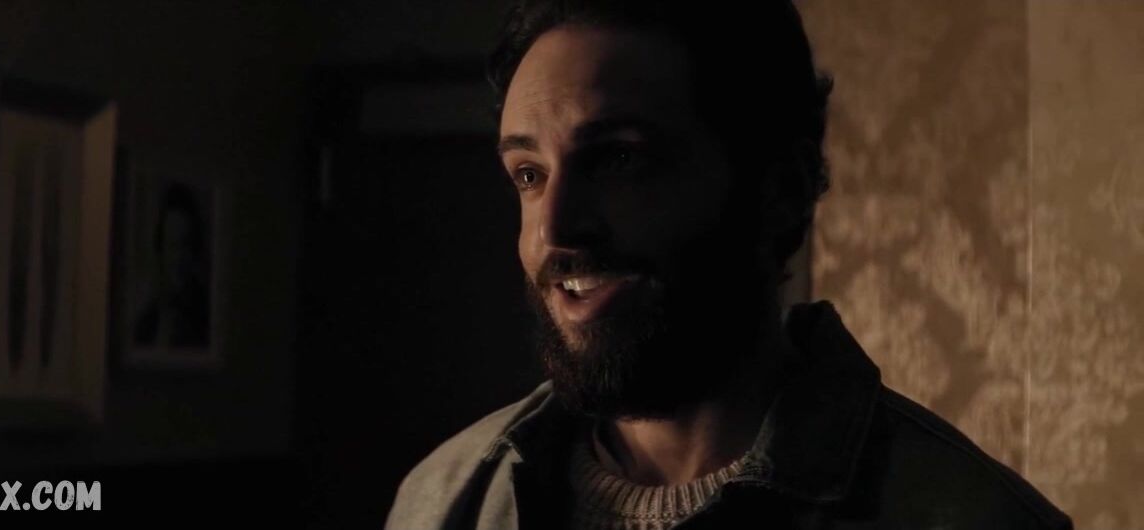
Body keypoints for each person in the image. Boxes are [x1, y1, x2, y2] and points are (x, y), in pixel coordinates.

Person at [385, 1, 1072, 529]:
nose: (554, 230)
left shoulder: (968, 516)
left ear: (781, 190)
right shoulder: (445, 500)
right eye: (529, 174)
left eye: (619, 158)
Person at [134, 183, 210, 350]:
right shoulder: (147, 320)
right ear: (161, 251)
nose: (179, 257)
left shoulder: (208, 312)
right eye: (173, 245)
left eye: (186, 244)